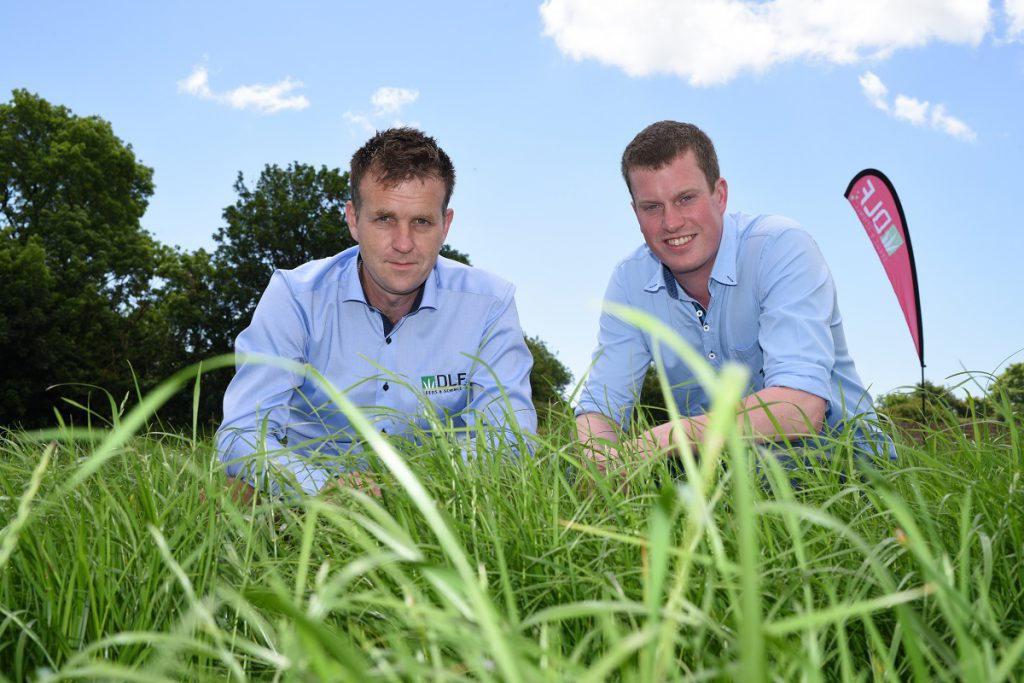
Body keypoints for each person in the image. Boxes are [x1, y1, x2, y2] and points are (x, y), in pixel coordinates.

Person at [216, 127, 536, 499]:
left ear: (445, 225)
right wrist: (323, 488)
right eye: (384, 219)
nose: (403, 243)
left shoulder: (490, 304)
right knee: (229, 495)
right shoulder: (295, 297)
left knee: (515, 496)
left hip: (440, 498)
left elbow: (510, 438)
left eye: (422, 222)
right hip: (312, 495)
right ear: (354, 219)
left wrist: (411, 491)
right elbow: (242, 433)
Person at [575, 120, 893, 474]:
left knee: (773, 470)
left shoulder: (780, 246)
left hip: (839, 454)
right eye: (652, 207)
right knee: (574, 472)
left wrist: (657, 442)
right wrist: (600, 467)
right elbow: (600, 407)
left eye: (685, 199)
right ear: (635, 212)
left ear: (720, 195)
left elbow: (800, 408)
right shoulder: (629, 281)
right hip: (720, 465)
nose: (671, 222)